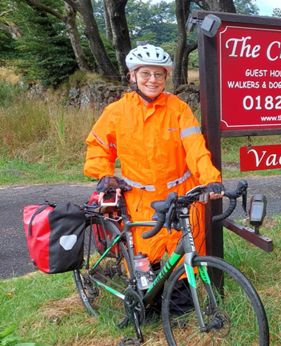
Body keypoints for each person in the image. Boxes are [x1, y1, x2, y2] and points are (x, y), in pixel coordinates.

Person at [84, 43, 224, 267]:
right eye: (145, 73)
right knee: (144, 261)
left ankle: (185, 299)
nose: (152, 79)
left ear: (165, 77)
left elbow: (196, 148)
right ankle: (148, 300)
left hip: (181, 194)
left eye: (158, 74)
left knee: (187, 254)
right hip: (140, 199)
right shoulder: (116, 112)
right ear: (133, 75)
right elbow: (98, 146)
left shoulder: (178, 109)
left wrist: (210, 180)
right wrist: (104, 174)